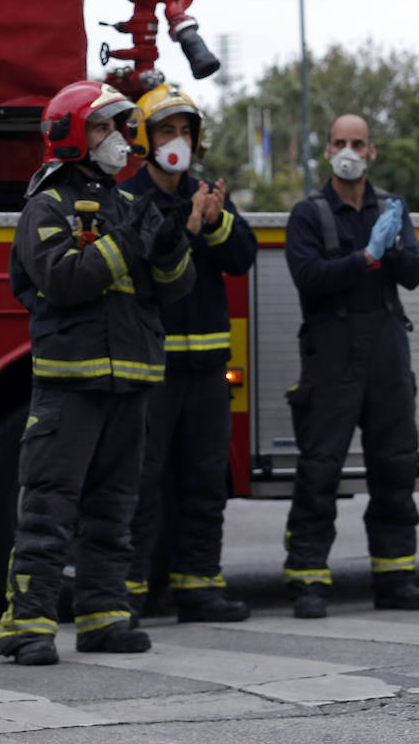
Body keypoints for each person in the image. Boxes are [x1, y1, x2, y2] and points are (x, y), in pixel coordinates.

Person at [0, 80, 195, 667]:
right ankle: (27, 624)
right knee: (50, 506)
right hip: (70, 382)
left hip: (130, 378)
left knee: (116, 505)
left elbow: (173, 291)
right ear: (71, 135)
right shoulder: (48, 205)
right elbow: (62, 279)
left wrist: (169, 248)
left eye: (120, 127)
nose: (119, 140)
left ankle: (105, 616)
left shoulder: (130, 205)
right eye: (105, 127)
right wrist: (132, 244)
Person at [120, 86, 256, 624]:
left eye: (185, 131)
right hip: (152, 371)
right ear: (146, 140)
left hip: (206, 372)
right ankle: (128, 592)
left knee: (204, 481)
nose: (177, 141)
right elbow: (145, 267)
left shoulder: (207, 193)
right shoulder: (129, 196)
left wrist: (217, 220)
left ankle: (198, 588)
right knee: (142, 483)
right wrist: (190, 225)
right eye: (166, 131)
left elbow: (242, 257)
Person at [282, 113, 419, 619]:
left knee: (396, 465)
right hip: (332, 354)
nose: (349, 151)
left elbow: (412, 276)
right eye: (340, 142)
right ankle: (308, 579)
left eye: (358, 143)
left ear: (372, 152)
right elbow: (310, 277)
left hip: (385, 349)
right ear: (327, 151)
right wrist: (367, 257)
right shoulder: (307, 214)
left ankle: (396, 576)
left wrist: (397, 248)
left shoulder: (390, 208)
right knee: (320, 469)